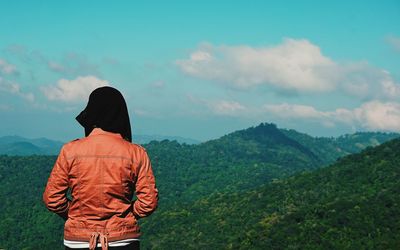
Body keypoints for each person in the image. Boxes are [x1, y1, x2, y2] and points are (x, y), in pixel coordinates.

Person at [43, 86, 158, 250]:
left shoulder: (70, 150)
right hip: (122, 239)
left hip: (79, 239)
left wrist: (75, 215)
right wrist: (126, 216)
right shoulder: (136, 153)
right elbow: (149, 202)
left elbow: (52, 200)